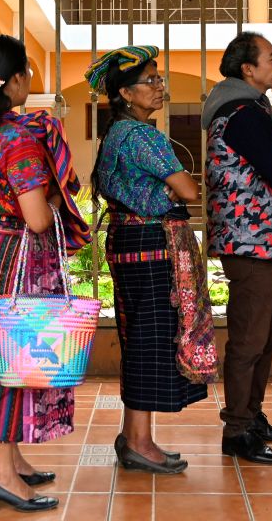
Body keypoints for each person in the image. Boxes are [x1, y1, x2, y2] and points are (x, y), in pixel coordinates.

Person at [0, 33, 89, 513]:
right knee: (12, 359)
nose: (30, 80)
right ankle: (2, 474)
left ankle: (11, 460)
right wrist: (57, 198)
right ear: (13, 81)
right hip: (16, 255)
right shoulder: (19, 138)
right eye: (27, 72)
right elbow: (35, 217)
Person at [88, 45, 214, 475]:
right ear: (125, 92)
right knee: (149, 340)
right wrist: (175, 188)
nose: (160, 87)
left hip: (128, 239)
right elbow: (190, 191)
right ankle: (139, 442)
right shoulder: (142, 136)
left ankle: (135, 436)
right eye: (151, 81)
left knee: (138, 336)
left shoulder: (116, 135)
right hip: (150, 244)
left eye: (160, 79)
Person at [202, 31, 272, 464]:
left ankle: (252, 415)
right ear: (248, 69)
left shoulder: (249, 109)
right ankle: (238, 428)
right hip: (250, 241)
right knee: (249, 337)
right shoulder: (243, 113)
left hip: (261, 240)